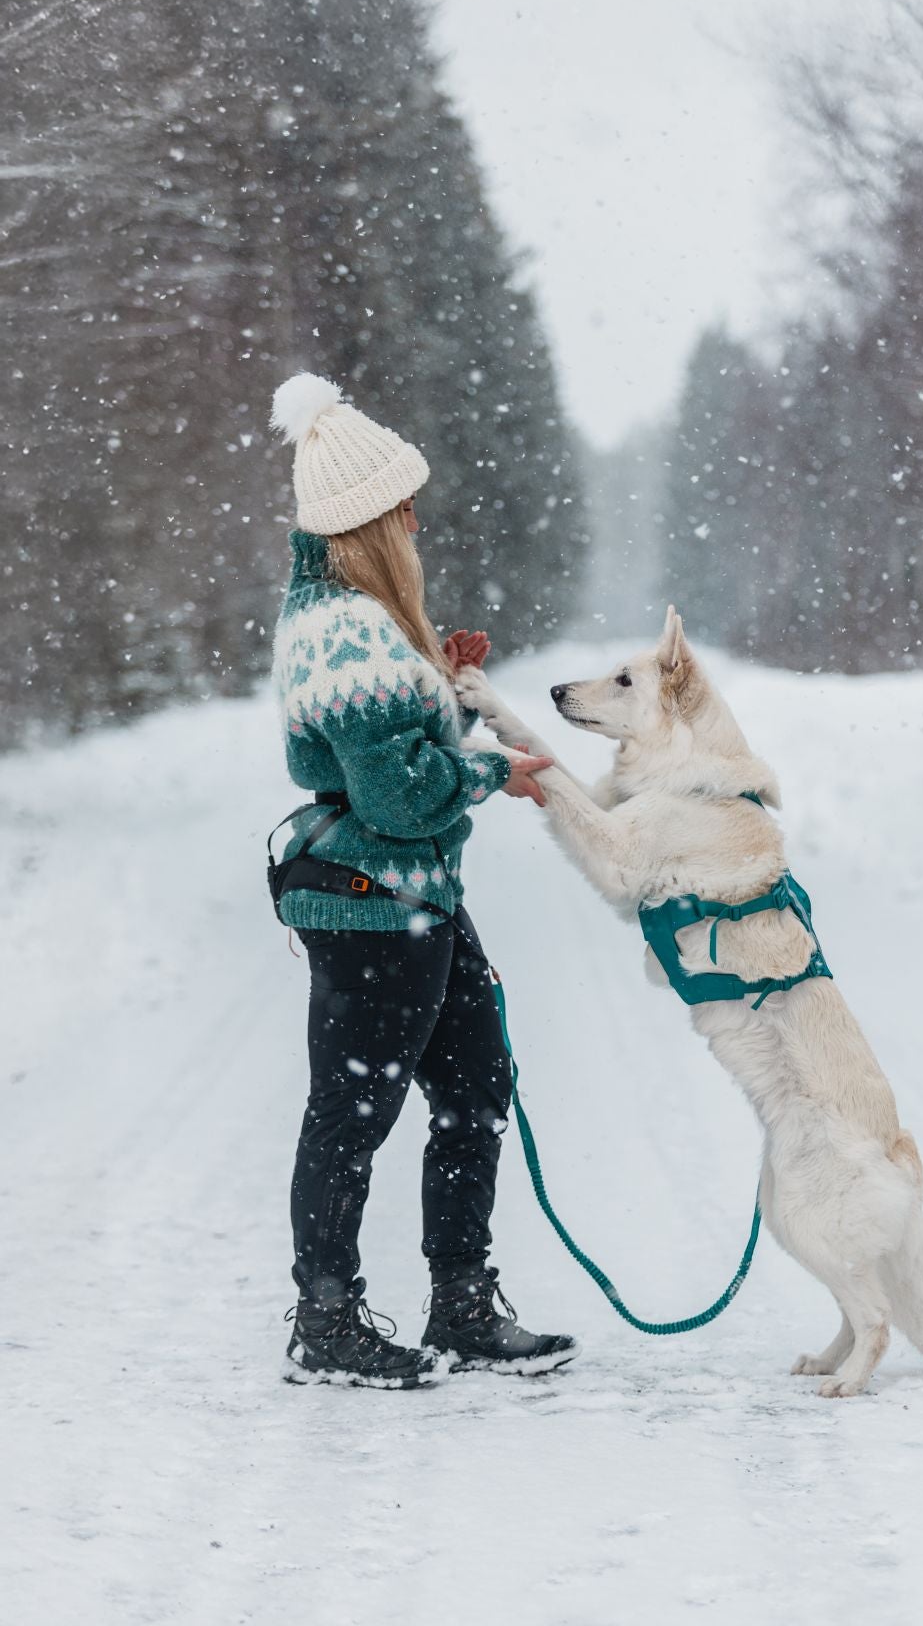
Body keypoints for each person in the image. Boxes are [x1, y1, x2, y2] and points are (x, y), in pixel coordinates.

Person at [268, 372, 576, 1389]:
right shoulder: (345, 631)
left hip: (418, 900)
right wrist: (488, 768)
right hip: (371, 906)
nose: (413, 516)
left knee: (476, 1085)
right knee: (352, 1114)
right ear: (363, 520)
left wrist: (438, 682)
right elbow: (399, 798)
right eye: (399, 503)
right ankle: (327, 1322)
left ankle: (460, 1302)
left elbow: (390, 748)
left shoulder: (360, 616)